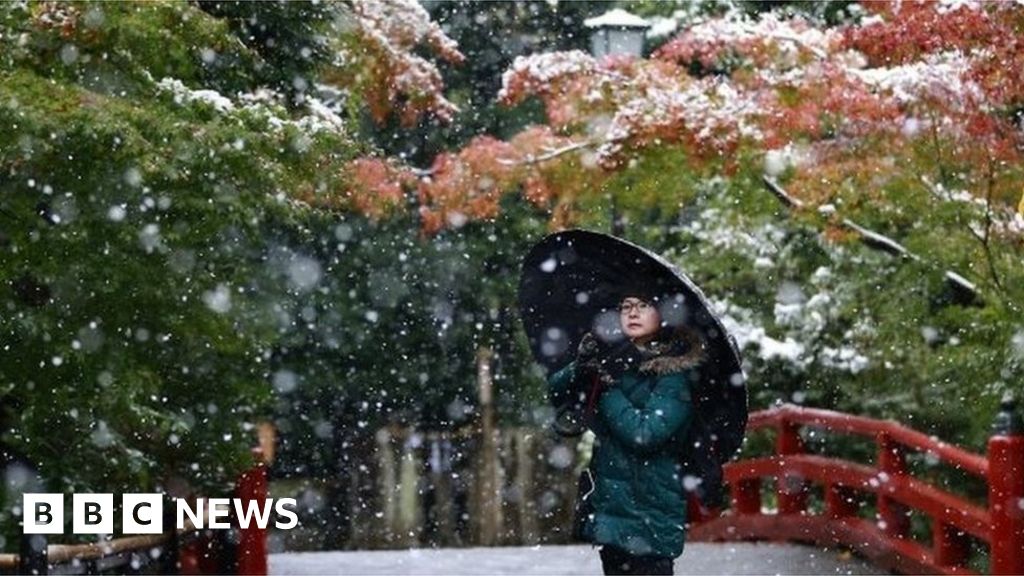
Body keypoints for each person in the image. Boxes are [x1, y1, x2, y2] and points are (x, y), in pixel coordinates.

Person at [547, 290, 707, 576]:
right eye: (626, 307)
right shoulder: (608, 358)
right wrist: (581, 368)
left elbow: (644, 434)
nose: (632, 313)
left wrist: (607, 389)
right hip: (612, 509)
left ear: (663, 315)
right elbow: (556, 392)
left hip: (652, 512)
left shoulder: (674, 373)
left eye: (644, 305)